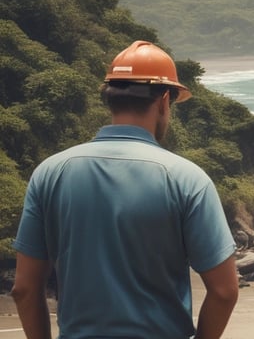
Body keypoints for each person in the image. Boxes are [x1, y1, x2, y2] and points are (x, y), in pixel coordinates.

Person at [11, 41, 239, 338]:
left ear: (110, 99)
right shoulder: (186, 178)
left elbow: (24, 288)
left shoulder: (50, 172)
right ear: (164, 101)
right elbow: (224, 291)